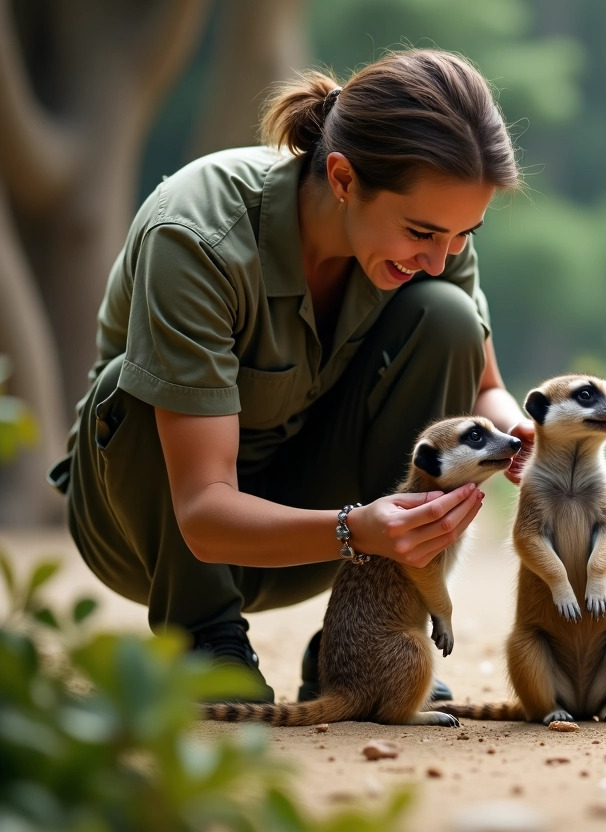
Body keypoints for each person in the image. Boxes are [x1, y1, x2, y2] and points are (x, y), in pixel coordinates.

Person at [47, 48, 533, 704]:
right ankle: (204, 637)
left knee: (447, 316)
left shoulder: (432, 241)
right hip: (157, 530)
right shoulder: (197, 233)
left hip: (327, 523)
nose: (442, 257)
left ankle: (356, 646)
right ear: (341, 177)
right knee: (129, 388)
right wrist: (352, 528)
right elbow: (200, 508)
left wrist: (519, 432)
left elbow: (482, 388)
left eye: (462, 235)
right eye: (422, 231)